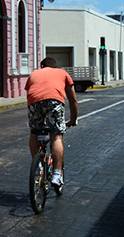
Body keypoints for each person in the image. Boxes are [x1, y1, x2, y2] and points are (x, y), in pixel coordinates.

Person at [25, 57, 78, 187]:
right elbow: (73, 100)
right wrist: (73, 119)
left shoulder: (34, 74)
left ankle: (37, 166)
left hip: (34, 104)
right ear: (55, 67)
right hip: (54, 102)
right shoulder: (63, 73)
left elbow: (30, 94)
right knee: (56, 136)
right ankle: (56, 175)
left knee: (34, 134)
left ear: (42, 66)